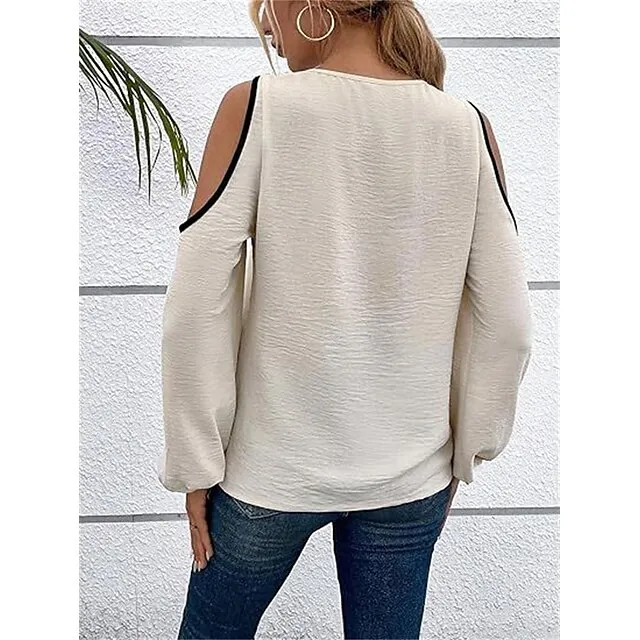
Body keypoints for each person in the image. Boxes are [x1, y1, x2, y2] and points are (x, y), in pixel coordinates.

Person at [157, 1, 533, 638]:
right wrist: (466, 451)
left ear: (309, 6)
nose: (272, 36)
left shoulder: (257, 107)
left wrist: (197, 464)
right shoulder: (467, 126)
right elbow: (508, 323)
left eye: (267, 14)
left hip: (268, 475)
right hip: (411, 478)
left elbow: (196, 309)